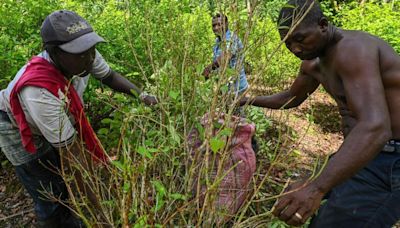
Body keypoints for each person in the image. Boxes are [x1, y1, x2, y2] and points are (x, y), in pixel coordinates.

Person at [241, 0, 400, 227]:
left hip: (390, 159)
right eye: (288, 44)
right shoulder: (313, 63)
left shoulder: (353, 50)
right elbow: (290, 98)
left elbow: (375, 127)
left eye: (300, 39)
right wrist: (245, 100)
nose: (295, 49)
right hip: (366, 151)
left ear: (323, 25)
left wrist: (317, 187)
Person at [0, 10, 157, 227]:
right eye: (81, 53)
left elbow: (109, 77)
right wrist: (102, 212)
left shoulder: (83, 54)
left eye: (91, 49)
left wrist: (143, 96)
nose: (90, 57)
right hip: (14, 127)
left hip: (48, 119)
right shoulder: (39, 92)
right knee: (49, 192)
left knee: (65, 179)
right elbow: (73, 156)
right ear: (54, 52)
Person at [202, 13, 249, 97]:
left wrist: (209, 68)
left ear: (226, 24)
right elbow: (218, 65)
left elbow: (225, 57)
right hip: (226, 88)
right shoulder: (217, 41)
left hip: (237, 88)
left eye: (219, 24)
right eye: (214, 25)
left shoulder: (231, 38)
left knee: (236, 109)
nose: (216, 28)